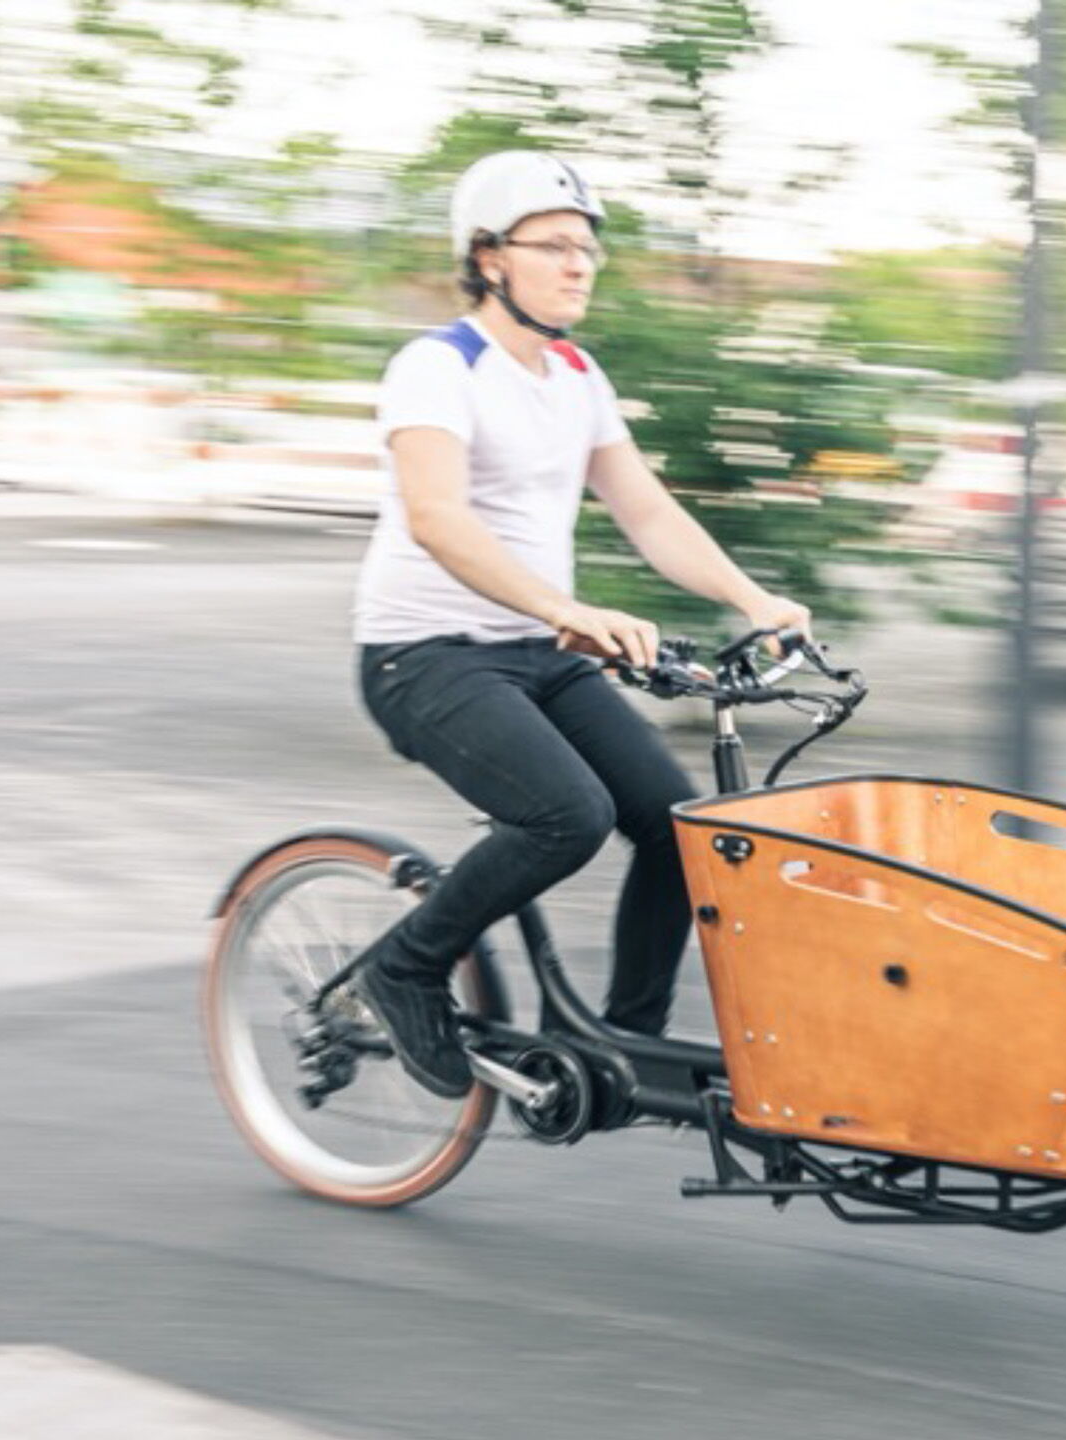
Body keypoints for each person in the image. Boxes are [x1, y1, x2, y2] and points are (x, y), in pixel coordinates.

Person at [351, 150, 809, 1099]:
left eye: (588, 250)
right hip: (424, 658)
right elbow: (437, 518)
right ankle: (402, 967)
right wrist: (566, 607)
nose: (579, 265)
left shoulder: (575, 373)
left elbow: (647, 512)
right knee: (568, 816)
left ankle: (625, 1048)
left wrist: (753, 600)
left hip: (535, 653)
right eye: (554, 246)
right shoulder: (437, 367)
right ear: (488, 259)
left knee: (682, 829)